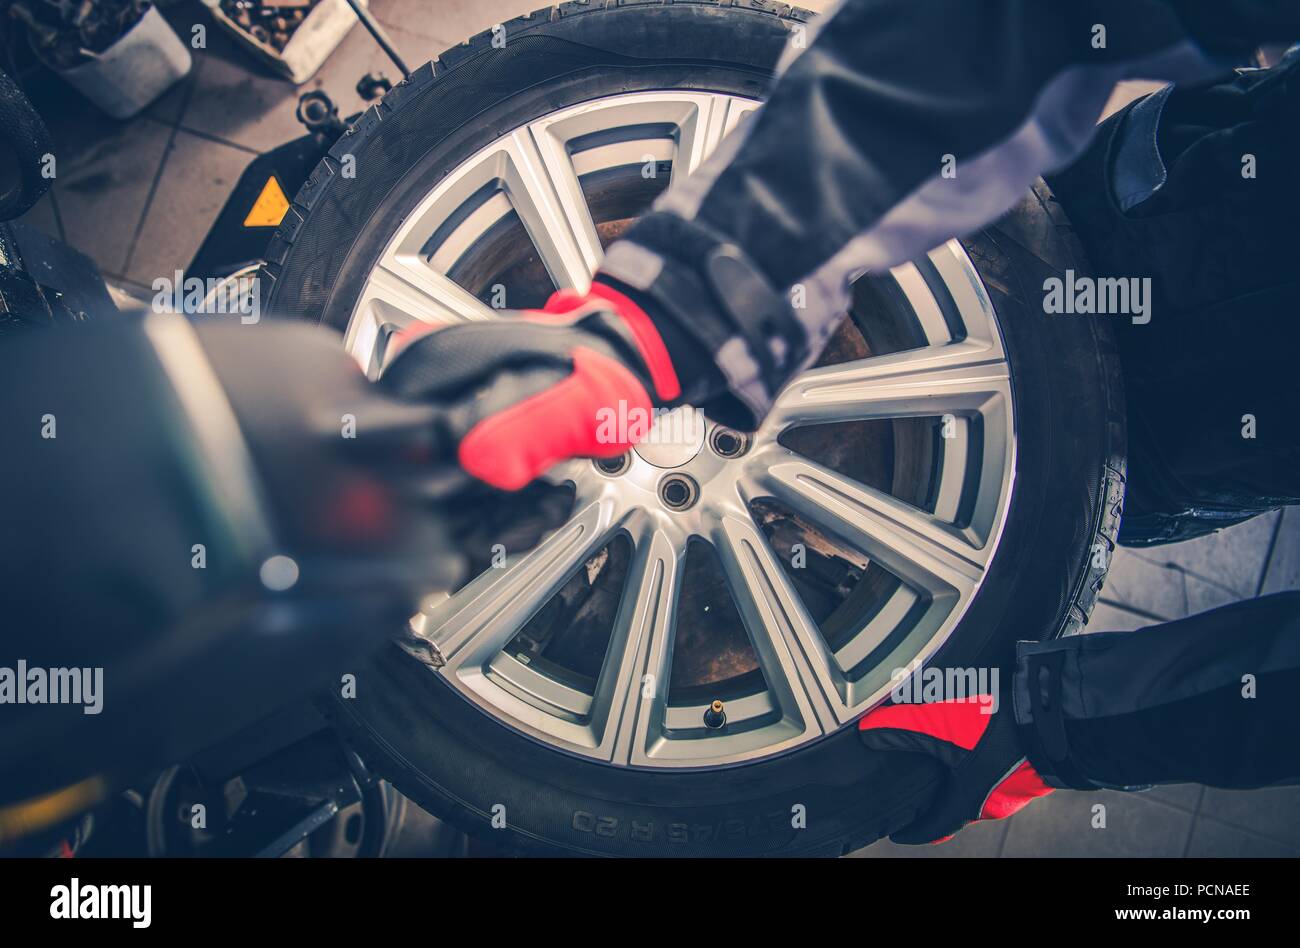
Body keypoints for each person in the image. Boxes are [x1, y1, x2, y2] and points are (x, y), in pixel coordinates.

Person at [377, 0, 1300, 844]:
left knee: (1048, 512)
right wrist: (678, 310)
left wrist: (1062, 718)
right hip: (1165, 190)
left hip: (1191, 443)